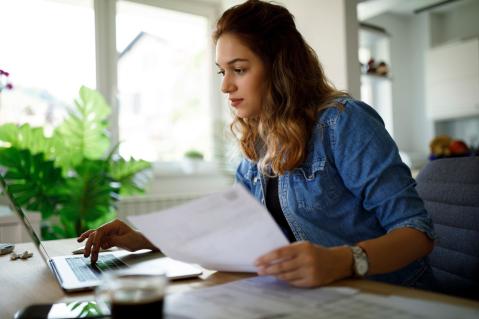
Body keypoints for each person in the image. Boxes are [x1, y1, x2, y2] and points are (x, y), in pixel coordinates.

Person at [78, 0, 436, 289]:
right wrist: (144, 238)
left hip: (391, 295)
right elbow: (236, 229)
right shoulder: (257, 144)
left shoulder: (344, 123)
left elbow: (416, 233)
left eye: (239, 69)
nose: (226, 86)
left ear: (280, 68)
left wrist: (342, 260)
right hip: (321, 300)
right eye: (222, 71)